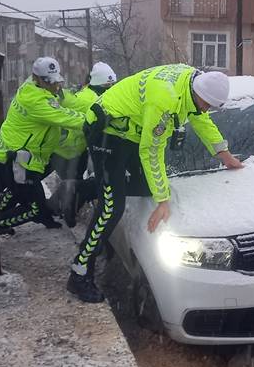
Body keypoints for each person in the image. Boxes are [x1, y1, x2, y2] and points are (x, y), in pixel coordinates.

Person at [66, 64, 244, 302]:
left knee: (148, 185)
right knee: (112, 208)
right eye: (207, 104)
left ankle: (88, 188)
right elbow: (151, 151)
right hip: (106, 130)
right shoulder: (165, 100)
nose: (207, 109)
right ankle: (79, 273)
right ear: (198, 93)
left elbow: (201, 120)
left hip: (130, 128)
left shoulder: (193, 84)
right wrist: (162, 201)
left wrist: (224, 154)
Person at [0, 56, 88, 231]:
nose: (54, 85)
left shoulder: (32, 88)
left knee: (16, 193)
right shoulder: (37, 101)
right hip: (18, 160)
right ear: (37, 78)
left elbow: (65, 102)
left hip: (15, 155)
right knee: (34, 206)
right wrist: (94, 120)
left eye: (55, 81)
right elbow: (66, 117)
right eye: (49, 81)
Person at [50, 62, 118, 227]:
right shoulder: (95, 99)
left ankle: (60, 209)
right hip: (70, 148)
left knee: (72, 184)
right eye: (108, 85)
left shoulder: (86, 93)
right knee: (73, 185)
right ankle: (61, 211)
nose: (111, 87)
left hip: (70, 147)